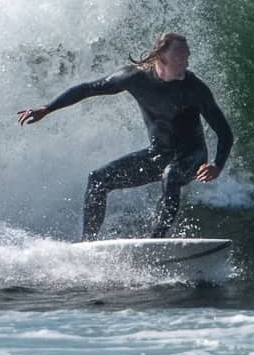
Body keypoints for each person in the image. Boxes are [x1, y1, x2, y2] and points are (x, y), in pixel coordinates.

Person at [18, 30, 234, 241]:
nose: (186, 63)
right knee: (98, 180)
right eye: (179, 57)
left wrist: (217, 164)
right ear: (160, 58)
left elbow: (224, 132)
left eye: (187, 57)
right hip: (158, 154)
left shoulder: (195, 89)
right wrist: (47, 108)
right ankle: (88, 244)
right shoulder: (135, 77)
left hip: (191, 156)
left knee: (172, 176)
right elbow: (88, 89)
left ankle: (155, 243)